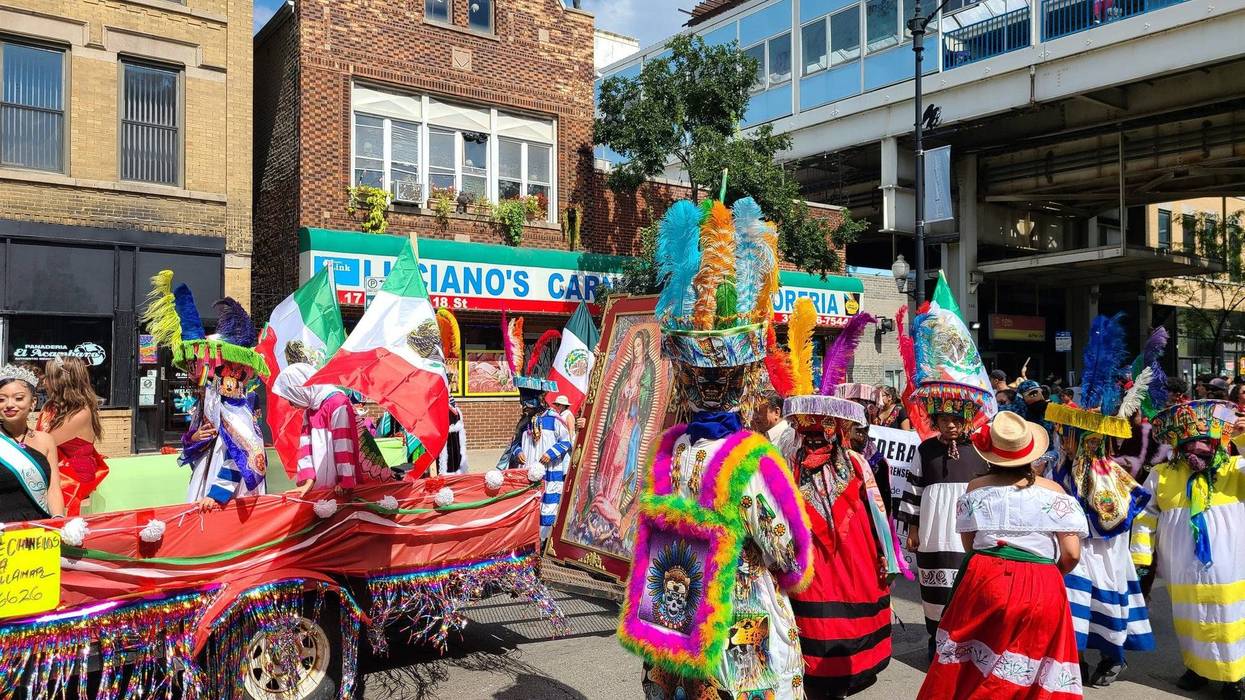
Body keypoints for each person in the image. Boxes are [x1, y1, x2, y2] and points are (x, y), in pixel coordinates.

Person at [618, 196, 812, 699]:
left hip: (675, 628)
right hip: (736, 627)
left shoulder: (668, 450)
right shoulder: (750, 460)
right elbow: (788, 554)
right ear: (744, 381)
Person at [916, 410, 1088, 700]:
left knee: (974, 668)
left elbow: (970, 545)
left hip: (986, 576)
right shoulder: (1055, 492)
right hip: (1041, 582)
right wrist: (1046, 573)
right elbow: (1071, 554)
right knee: (1032, 664)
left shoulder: (976, 488)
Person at [773, 300, 898, 698]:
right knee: (805, 652)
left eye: (822, 431)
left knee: (839, 666)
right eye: (807, 431)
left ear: (836, 431)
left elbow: (879, 515)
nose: (815, 438)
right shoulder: (784, 465)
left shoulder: (857, 465)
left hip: (852, 567)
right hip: (804, 571)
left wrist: (889, 558)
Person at [1044, 314, 1159, 687]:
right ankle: (1071, 655)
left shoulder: (1107, 473)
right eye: (1063, 434)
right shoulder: (1057, 467)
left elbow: (1113, 518)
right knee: (1069, 606)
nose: (1064, 440)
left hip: (1102, 553)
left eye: (1070, 435)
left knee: (1107, 605)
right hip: (1069, 550)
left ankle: (1114, 656)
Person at [896, 295, 998, 659]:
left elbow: (991, 490)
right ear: (935, 421)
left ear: (967, 420)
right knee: (934, 585)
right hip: (934, 526)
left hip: (969, 529)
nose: (951, 425)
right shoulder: (925, 450)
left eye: (957, 420)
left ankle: (967, 639)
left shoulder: (982, 449)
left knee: (970, 583)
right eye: (944, 420)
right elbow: (913, 490)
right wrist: (911, 529)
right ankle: (934, 637)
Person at [1132, 399, 1245, 699]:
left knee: (1228, 618)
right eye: (1192, 442)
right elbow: (1144, 516)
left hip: (1229, 566)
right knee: (1188, 616)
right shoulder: (1162, 474)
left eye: (1206, 441)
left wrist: (1242, 438)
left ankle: (1234, 677)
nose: (1199, 448)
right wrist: (1141, 557)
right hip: (1180, 566)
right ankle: (1196, 668)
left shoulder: (1235, 468)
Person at [142, 271, 268, 510]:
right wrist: (194, 438)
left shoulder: (234, 405)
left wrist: (217, 494)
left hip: (227, 494)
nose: (194, 378)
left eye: (199, 372)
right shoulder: (209, 402)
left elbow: (246, 451)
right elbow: (192, 445)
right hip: (205, 482)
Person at [495, 318, 571, 541]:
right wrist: (517, 450)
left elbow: (566, 442)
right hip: (528, 471)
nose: (524, 408)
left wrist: (551, 454)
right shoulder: (525, 423)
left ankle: (544, 540)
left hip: (549, 470)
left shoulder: (554, 419)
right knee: (529, 504)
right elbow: (515, 444)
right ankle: (527, 538)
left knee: (547, 505)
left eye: (527, 404)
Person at [271, 363, 363, 496]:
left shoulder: (338, 403)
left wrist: (345, 480)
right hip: (320, 486)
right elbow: (305, 447)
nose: (291, 404)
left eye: (291, 398)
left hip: (337, 487)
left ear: (300, 388)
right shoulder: (310, 409)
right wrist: (309, 481)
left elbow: (343, 443)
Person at [37, 356, 108, 516]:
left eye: (47, 377)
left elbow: (41, 445)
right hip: (57, 472)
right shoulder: (52, 407)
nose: (43, 381)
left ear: (60, 381)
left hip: (73, 480)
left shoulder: (80, 413)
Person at [0, 365, 63, 522]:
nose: (9, 405)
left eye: (19, 398)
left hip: (40, 528)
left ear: (33, 402)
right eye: (1, 399)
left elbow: (54, 488)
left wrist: (58, 519)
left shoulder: (46, 440)